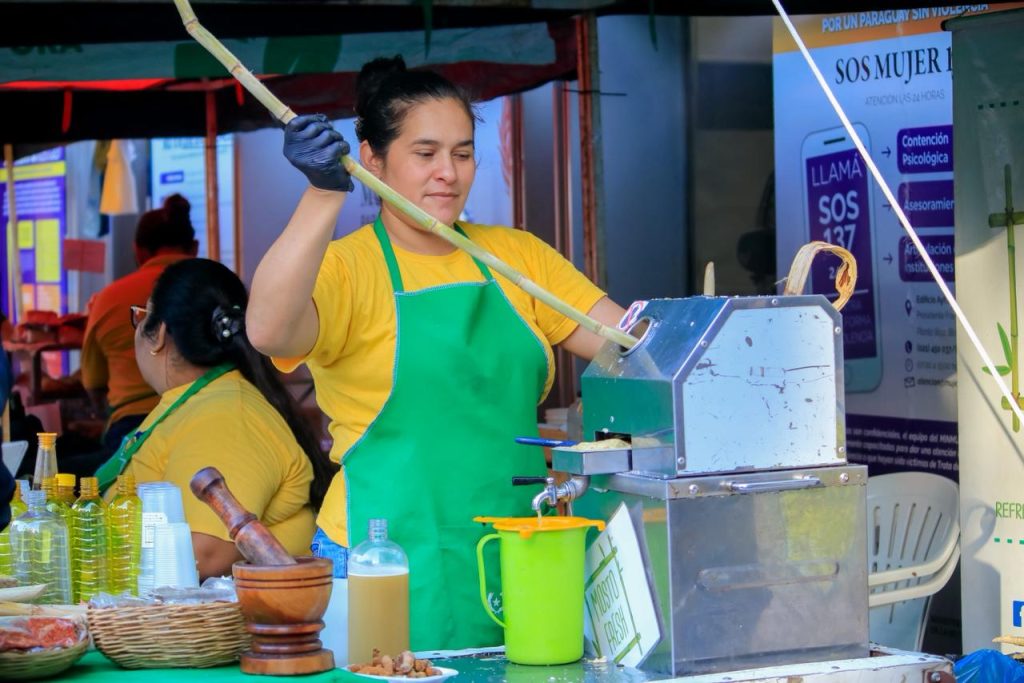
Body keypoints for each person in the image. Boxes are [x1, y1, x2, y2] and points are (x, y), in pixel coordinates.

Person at [246, 56, 626, 651]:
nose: (448, 173)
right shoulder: (346, 267)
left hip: (513, 544)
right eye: (425, 154)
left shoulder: (515, 257)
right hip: (381, 552)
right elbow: (269, 331)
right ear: (372, 159)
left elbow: (627, 345)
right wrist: (322, 193)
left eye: (463, 153)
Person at [94, 259, 337, 579]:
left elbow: (205, 554)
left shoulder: (225, 416)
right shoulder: (202, 403)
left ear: (159, 334)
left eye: (141, 316)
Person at [80, 194, 198, 453]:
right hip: (208, 417)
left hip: (130, 426)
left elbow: (93, 382)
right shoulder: (219, 291)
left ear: (138, 250)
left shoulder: (109, 298)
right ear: (194, 247)